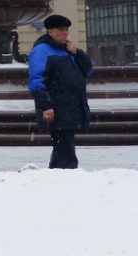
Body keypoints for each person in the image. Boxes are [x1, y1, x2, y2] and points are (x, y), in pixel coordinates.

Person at [27, 14, 94, 169]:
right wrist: (46, 106)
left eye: (66, 30)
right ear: (50, 31)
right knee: (65, 151)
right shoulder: (42, 51)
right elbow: (36, 81)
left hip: (68, 108)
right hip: (58, 108)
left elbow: (88, 70)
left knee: (62, 149)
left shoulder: (67, 50)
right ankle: (66, 177)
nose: (65, 33)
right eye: (60, 30)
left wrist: (77, 52)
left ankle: (57, 176)